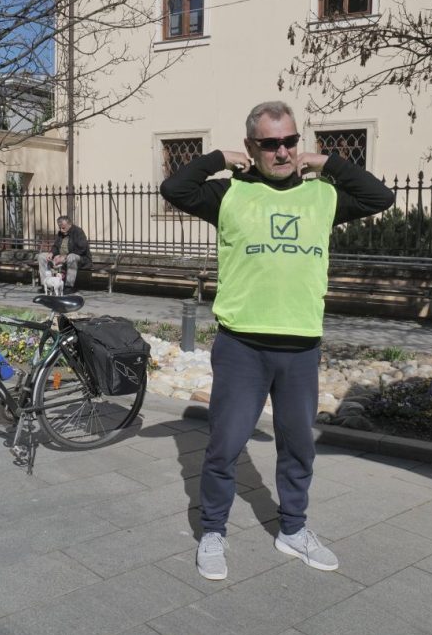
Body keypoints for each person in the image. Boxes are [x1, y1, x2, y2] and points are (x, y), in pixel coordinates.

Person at [160, 100, 394, 581]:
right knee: (225, 446)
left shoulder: (323, 197)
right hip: (243, 345)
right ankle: (213, 533)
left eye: (290, 141)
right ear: (253, 147)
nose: (283, 151)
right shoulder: (229, 194)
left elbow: (379, 197)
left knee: (298, 448)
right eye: (270, 144)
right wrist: (219, 159)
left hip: (301, 346)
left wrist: (326, 162)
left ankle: (293, 529)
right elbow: (174, 188)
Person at [36, 215, 90, 294]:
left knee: (72, 257)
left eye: (63, 227)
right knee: (42, 256)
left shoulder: (78, 232)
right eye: (60, 227)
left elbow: (82, 248)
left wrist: (65, 256)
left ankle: (69, 286)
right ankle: (46, 285)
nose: (61, 230)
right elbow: (56, 246)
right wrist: (51, 253)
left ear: (69, 224)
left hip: (79, 258)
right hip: (60, 256)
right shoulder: (60, 233)